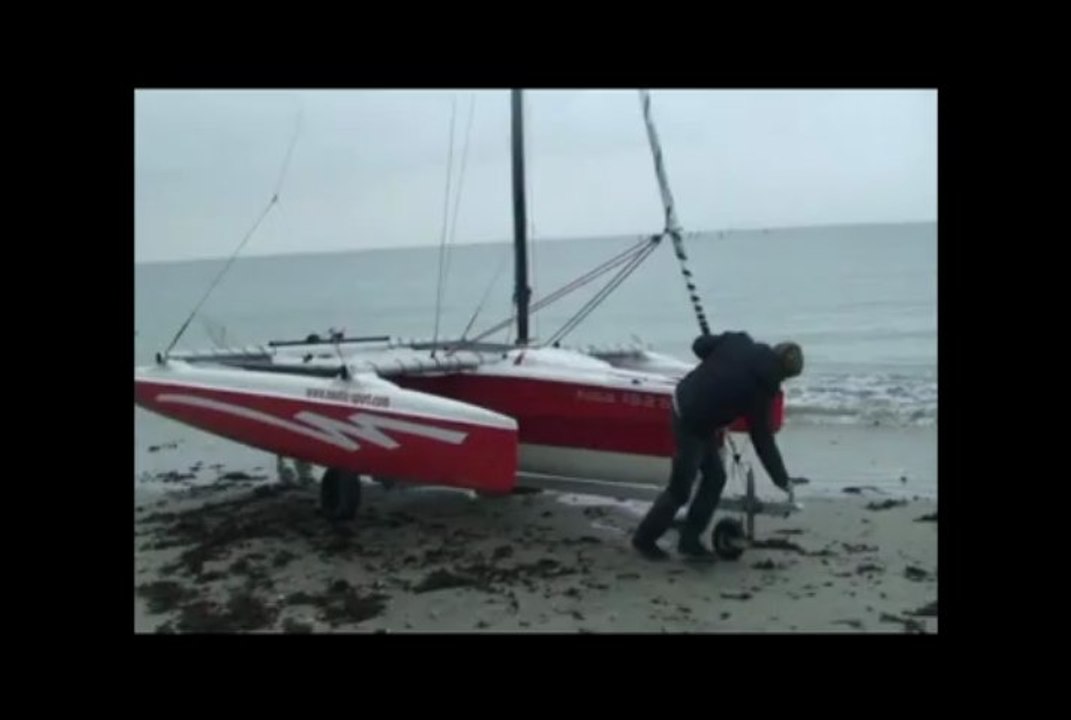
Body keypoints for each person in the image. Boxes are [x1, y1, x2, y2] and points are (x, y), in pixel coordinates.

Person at [632, 331, 805, 561]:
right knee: (680, 489)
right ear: (785, 375)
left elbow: (699, 346)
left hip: (695, 412)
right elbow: (763, 441)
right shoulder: (761, 394)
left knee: (715, 478)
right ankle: (644, 540)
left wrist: (713, 349)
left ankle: (689, 541)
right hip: (689, 420)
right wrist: (781, 479)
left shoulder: (738, 341)